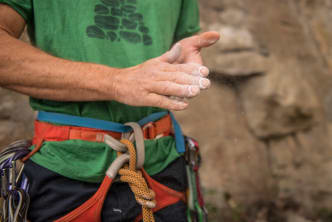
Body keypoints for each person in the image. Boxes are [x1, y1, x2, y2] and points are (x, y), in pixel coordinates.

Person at [0, 0, 220, 221]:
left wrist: (183, 57)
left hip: (162, 162)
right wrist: (117, 82)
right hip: (68, 167)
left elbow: (175, 42)